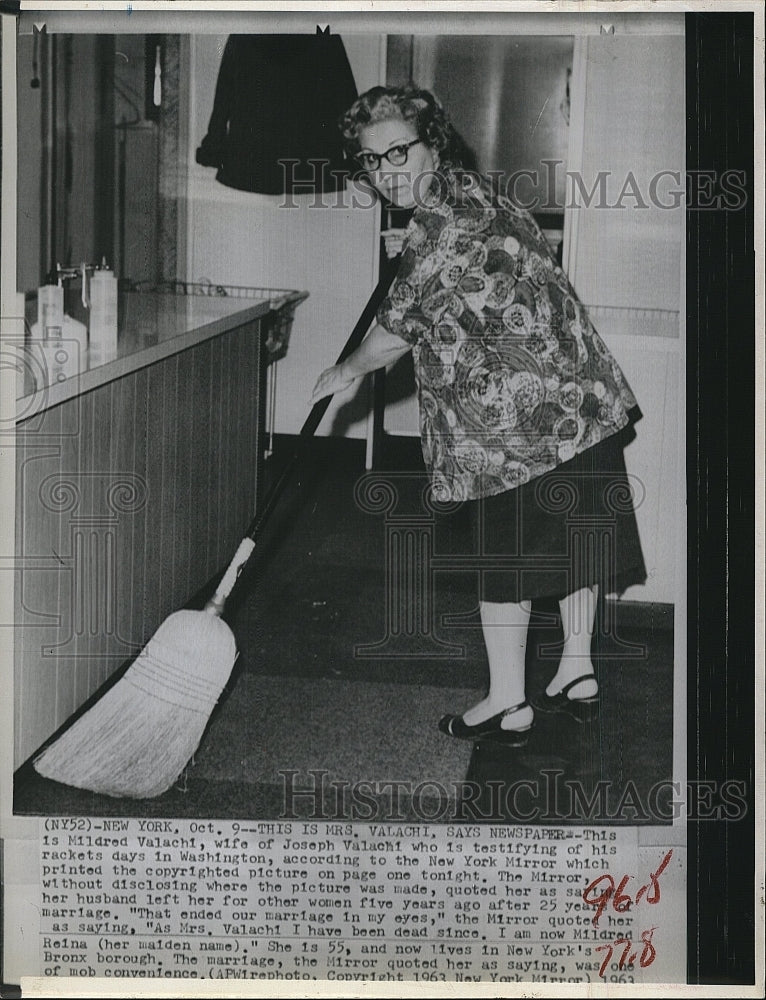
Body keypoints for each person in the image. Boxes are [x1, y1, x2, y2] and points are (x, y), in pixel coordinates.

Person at [311, 86, 646, 748]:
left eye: (399, 151)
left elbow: (395, 333)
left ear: (434, 141)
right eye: (371, 162)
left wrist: (344, 370)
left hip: (513, 427)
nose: (386, 172)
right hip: (579, 403)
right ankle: (576, 671)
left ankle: (505, 703)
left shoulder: (440, 224)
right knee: (572, 545)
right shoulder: (480, 194)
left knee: (505, 562)